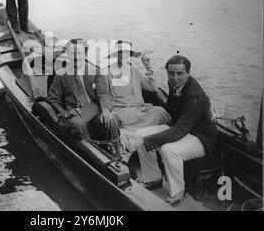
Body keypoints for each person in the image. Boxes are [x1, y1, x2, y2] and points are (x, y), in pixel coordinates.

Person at [132, 55, 217, 206]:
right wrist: (150, 106)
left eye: (180, 74)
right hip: (183, 128)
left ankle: (178, 192)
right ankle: (153, 179)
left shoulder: (195, 95)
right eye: (171, 73)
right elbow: (170, 109)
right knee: (139, 134)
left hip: (201, 137)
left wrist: (148, 141)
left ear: (188, 73)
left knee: (169, 149)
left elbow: (179, 131)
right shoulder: (174, 85)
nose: (175, 78)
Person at [47, 39, 120, 154]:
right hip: (75, 113)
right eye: (72, 54)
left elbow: (104, 93)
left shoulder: (96, 71)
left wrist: (106, 111)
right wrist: (66, 113)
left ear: (85, 54)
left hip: (94, 110)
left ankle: (117, 152)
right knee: (79, 124)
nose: (76, 57)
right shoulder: (61, 74)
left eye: (79, 54)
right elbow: (52, 99)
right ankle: (93, 153)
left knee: (111, 119)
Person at [106, 41, 170, 159]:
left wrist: (148, 68)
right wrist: (110, 112)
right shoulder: (107, 73)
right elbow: (104, 96)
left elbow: (153, 88)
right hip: (123, 113)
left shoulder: (134, 71)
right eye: (121, 53)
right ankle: (131, 140)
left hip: (141, 110)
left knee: (160, 111)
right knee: (122, 119)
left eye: (127, 53)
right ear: (116, 54)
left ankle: (136, 138)